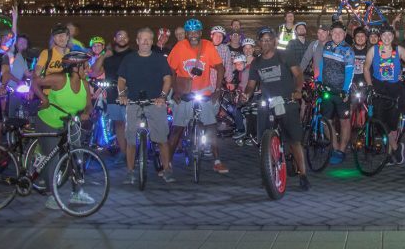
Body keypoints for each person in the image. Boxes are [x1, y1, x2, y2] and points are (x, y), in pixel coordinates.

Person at [241, 27, 310, 191]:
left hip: (287, 100)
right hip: (268, 103)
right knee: (263, 140)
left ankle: (303, 174)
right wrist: (245, 95)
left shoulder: (283, 55)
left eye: (268, 40)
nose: (265, 43)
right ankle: (267, 174)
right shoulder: (256, 63)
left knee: (294, 141)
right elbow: (251, 85)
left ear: (274, 41)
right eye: (262, 40)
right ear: (259, 43)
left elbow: (298, 74)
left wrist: (298, 90)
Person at [31, 52, 92, 210]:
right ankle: (52, 196)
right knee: (53, 157)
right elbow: (35, 82)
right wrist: (44, 100)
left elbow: (88, 104)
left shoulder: (85, 83)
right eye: (85, 66)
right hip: (49, 121)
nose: (88, 69)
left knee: (77, 154)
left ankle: (77, 192)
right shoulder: (60, 79)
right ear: (75, 67)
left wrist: (86, 113)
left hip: (70, 122)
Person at [167, 19, 228, 173]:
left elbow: (220, 67)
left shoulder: (207, 45)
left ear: (201, 33)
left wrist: (218, 89)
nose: (193, 35)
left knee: (211, 126)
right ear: (186, 34)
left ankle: (217, 160)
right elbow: (171, 71)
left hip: (204, 92)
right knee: (177, 128)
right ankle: (167, 163)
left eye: (196, 32)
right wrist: (175, 90)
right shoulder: (180, 47)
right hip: (185, 92)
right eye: (190, 32)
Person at [117, 28, 175, 183]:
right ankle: (129, 171)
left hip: (155, 101)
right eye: (143, 39)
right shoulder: (129, 59)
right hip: (134, 101)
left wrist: (162, 97)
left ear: (152, 41)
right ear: (137, 41)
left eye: (149, 39)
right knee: (130, 138)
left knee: (162, 138)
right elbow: (121, 80)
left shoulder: (159, 59)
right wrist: (122, 94)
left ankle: (167, 169)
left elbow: (167, 79)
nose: (146, 42)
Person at [364, 24, 405, 163]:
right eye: (384, 35)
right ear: (380, 36)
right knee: (380, 122)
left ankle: (390, 152)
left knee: (392, 124)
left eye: (389, 35)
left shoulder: (399, 50)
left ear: (393, 37)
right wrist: (369, 85)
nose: (387, 37)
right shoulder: (373, 50)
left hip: (395, 90)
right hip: (379, 89)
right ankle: (395, 147)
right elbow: (366, 68)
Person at [314, 21, 355, 164]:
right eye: (335, 32)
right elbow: (322, 64)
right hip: (327, 90)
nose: (337, 35)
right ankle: (335, 146)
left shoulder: (348, 50)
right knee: (326, 121)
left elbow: (350, 72)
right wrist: (318, 80)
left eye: (340, 33)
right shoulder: (327, 45)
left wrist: (345, 90)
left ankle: (342, 150)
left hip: (341, 92)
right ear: (331, 34)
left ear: (344, 35)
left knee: (345, 121)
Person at [90, 30, 133, 158]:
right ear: (114, 39)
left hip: (130, 92)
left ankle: (132, 152)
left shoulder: (133, 54)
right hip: (113, 93)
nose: (122, 38)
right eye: (119, 36)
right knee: (118, 124)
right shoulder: (109, 56)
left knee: (130, 124)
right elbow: (94, 72)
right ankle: (123, 153)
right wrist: (103, 55)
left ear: (128, 39)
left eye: (125, 36)